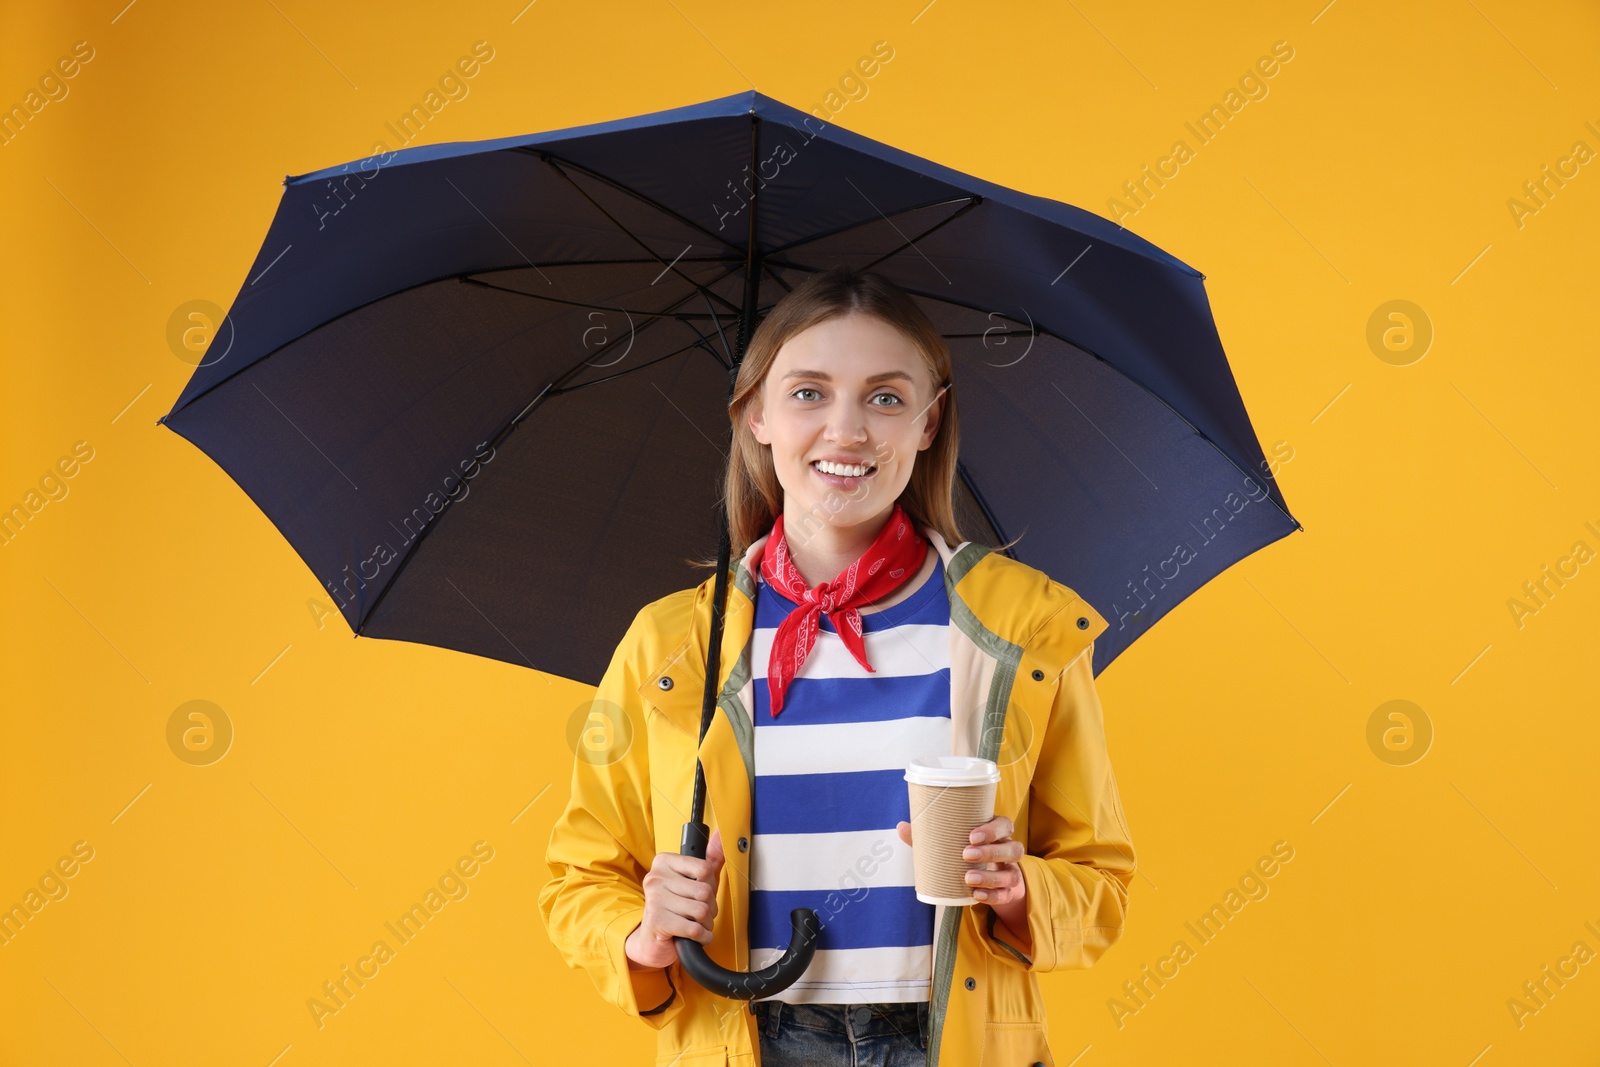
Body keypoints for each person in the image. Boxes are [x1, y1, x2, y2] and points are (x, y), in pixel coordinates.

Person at [539, 266, 1137, 1066]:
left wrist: (1022, 888)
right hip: (751, 1039)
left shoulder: (1023, 626)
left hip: (947, 1041)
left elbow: (1100, 879)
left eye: (886, 397)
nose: (847, 430)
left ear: (930, 421)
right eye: (808, 392)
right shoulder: (671, 644)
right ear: (755, 413)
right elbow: (578, 878)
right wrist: (643, 932)